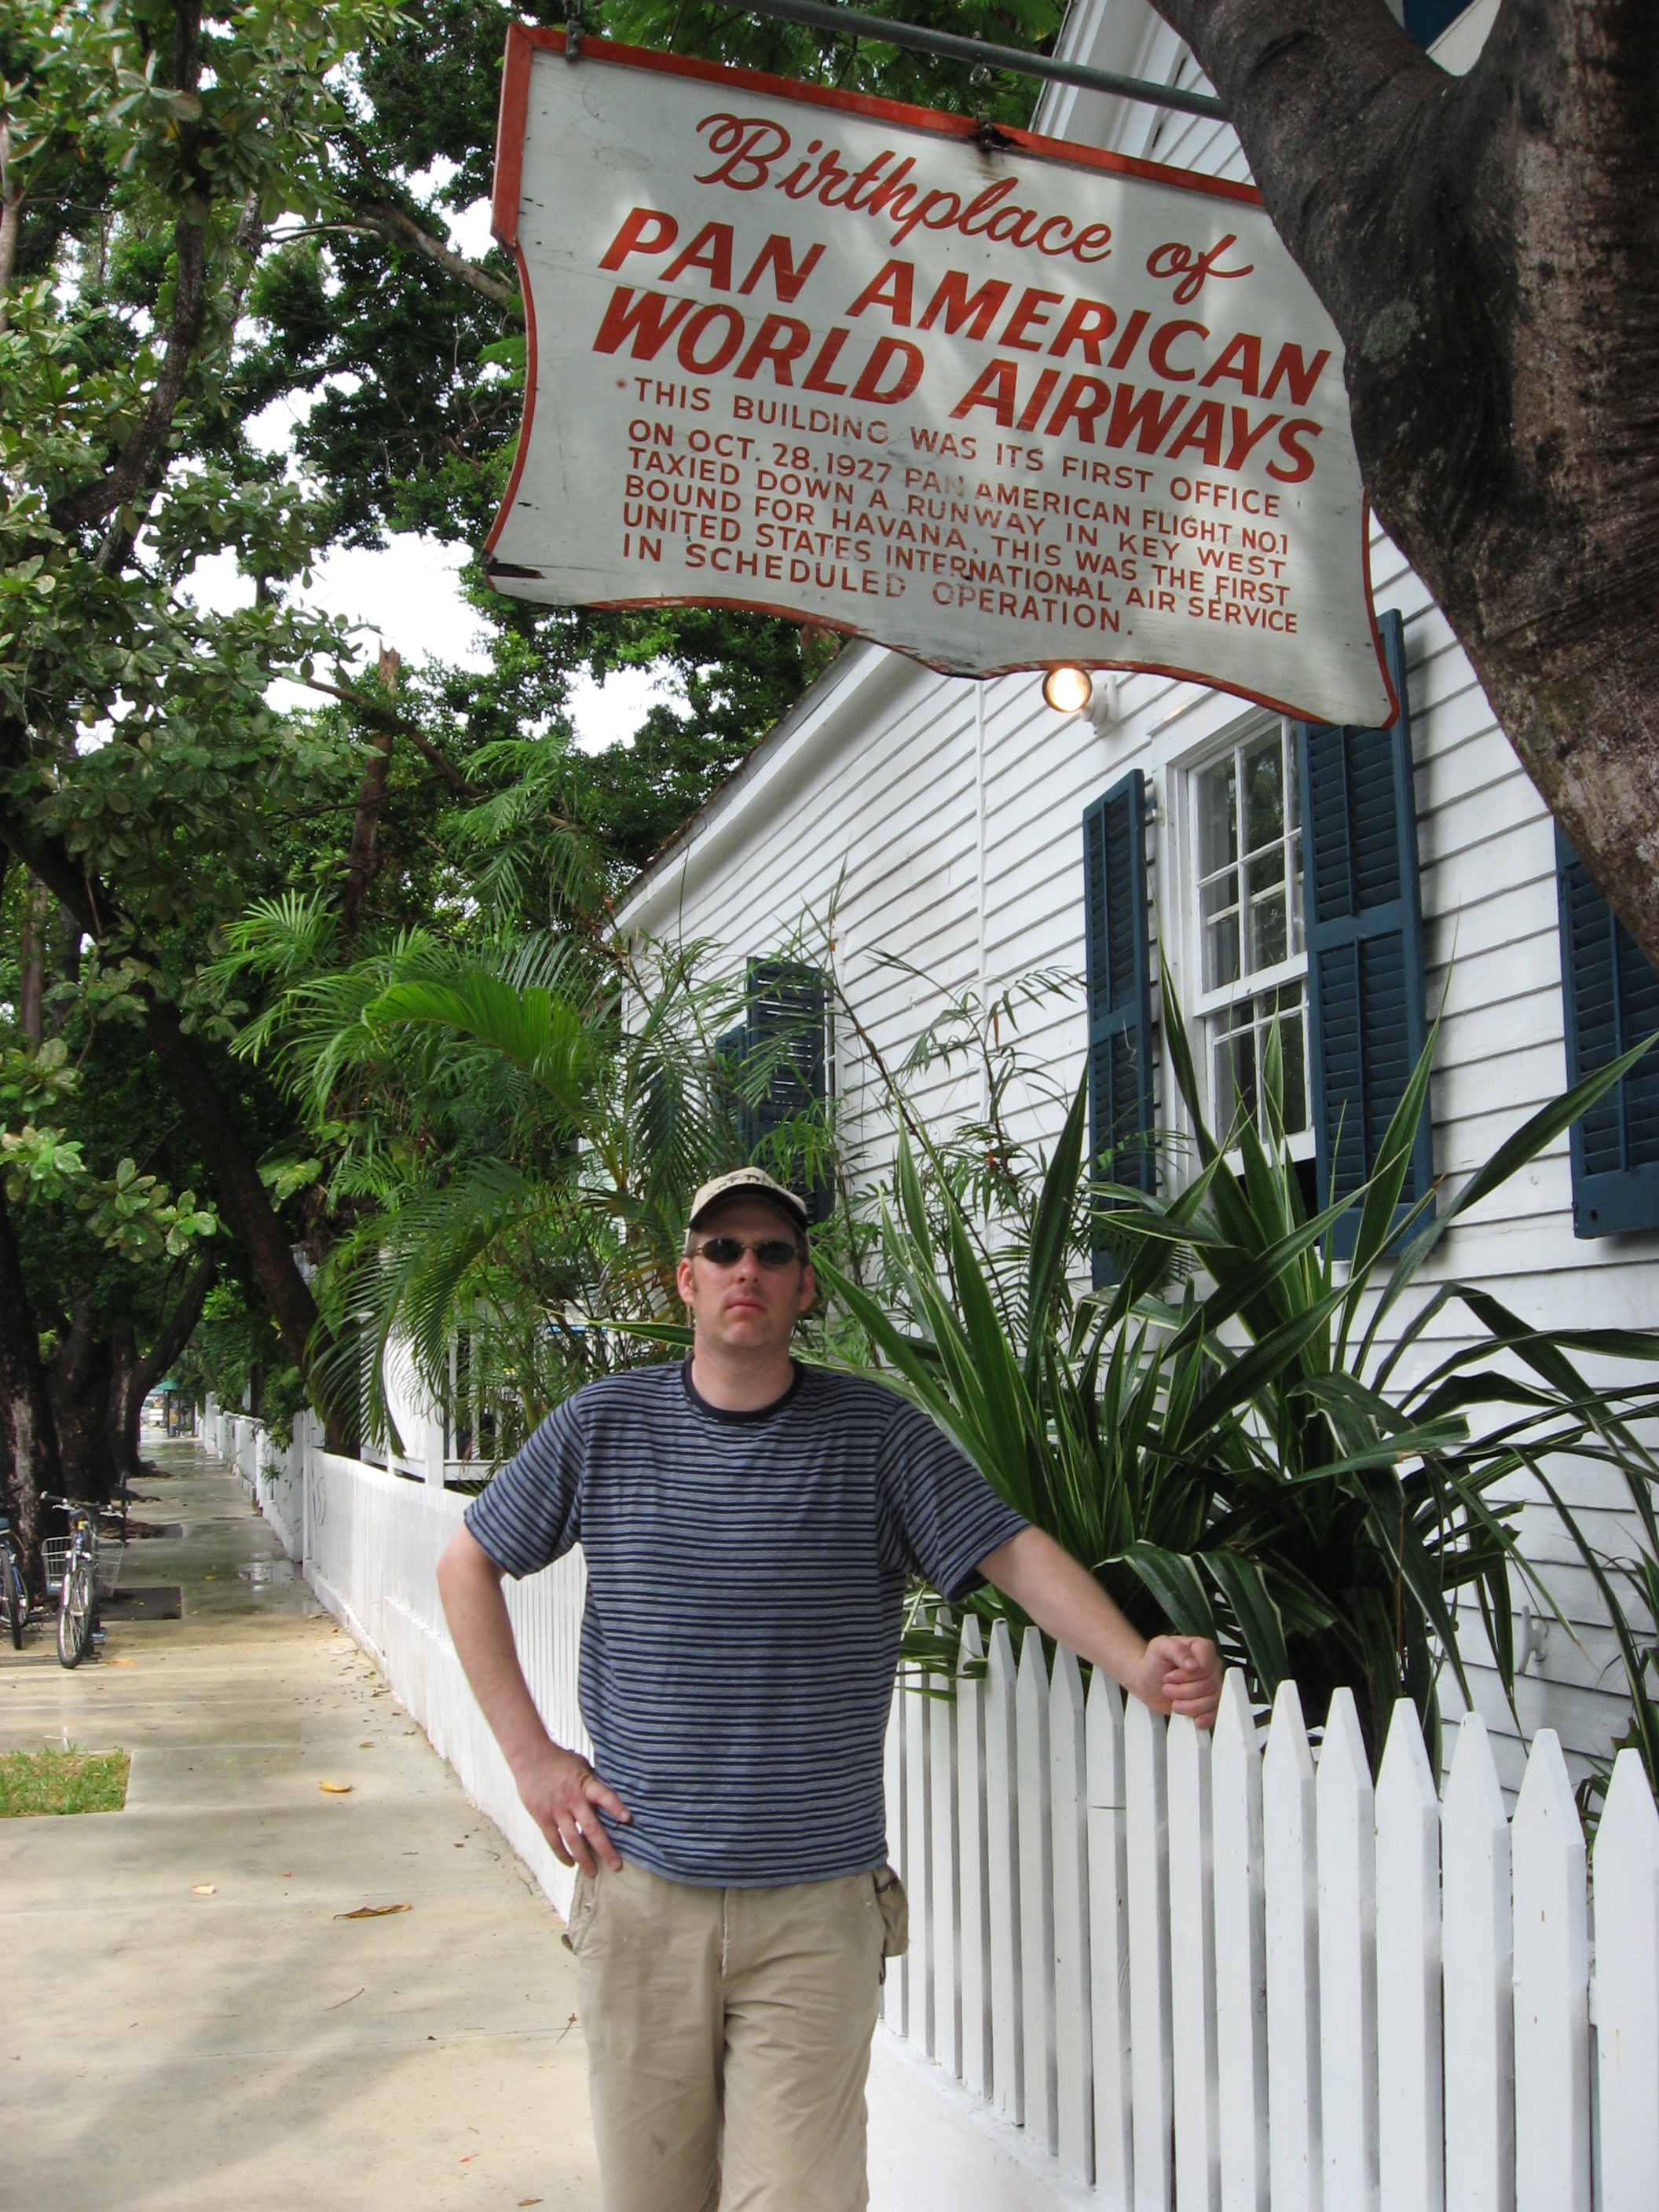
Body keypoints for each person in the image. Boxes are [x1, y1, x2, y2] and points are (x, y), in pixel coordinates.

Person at [438, 1165, 1221, 2212]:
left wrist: (1135, 1664)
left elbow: (1012, 1551)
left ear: (805, 1288)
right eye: (723, 1251)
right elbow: (467, 1563)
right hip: (642, 1898)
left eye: (773, 1253)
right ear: (685, 1280)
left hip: (814, 1916)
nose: (747, 1270)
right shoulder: (603, 1427)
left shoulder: (877, 1438)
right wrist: (532, 1760)